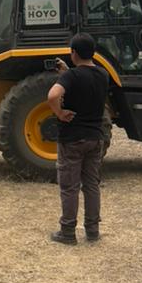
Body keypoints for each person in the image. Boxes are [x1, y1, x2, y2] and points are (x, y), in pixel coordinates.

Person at [46, 32, 110, 244]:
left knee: (70, 187)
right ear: (93, 52)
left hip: (72, 139)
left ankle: (67, 232)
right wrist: (68, 72)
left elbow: (53, 95)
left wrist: (59, 113)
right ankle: (92, 230)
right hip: (95, 137)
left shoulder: (71, 77)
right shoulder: (103, 74)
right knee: (91, 185)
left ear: (73, 52)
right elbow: (85, 82)